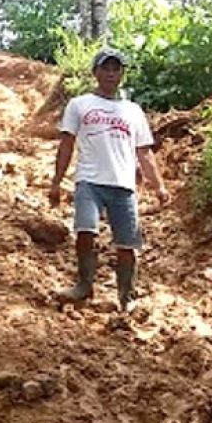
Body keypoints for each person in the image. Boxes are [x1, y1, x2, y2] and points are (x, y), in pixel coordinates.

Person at [49, 47, 169, 312]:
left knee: (127, 244)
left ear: (122, 74)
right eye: (106, 68)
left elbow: (144, 152)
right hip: (89, 181)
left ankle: (126, 296)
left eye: (116, 69)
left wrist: (159, 186)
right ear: (96, 72)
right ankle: (84, 285)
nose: (111, 74)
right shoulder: (79, 105)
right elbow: (66, 144)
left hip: (123, 186)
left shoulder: (133, 111)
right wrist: (56, 182)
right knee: (85, 231)